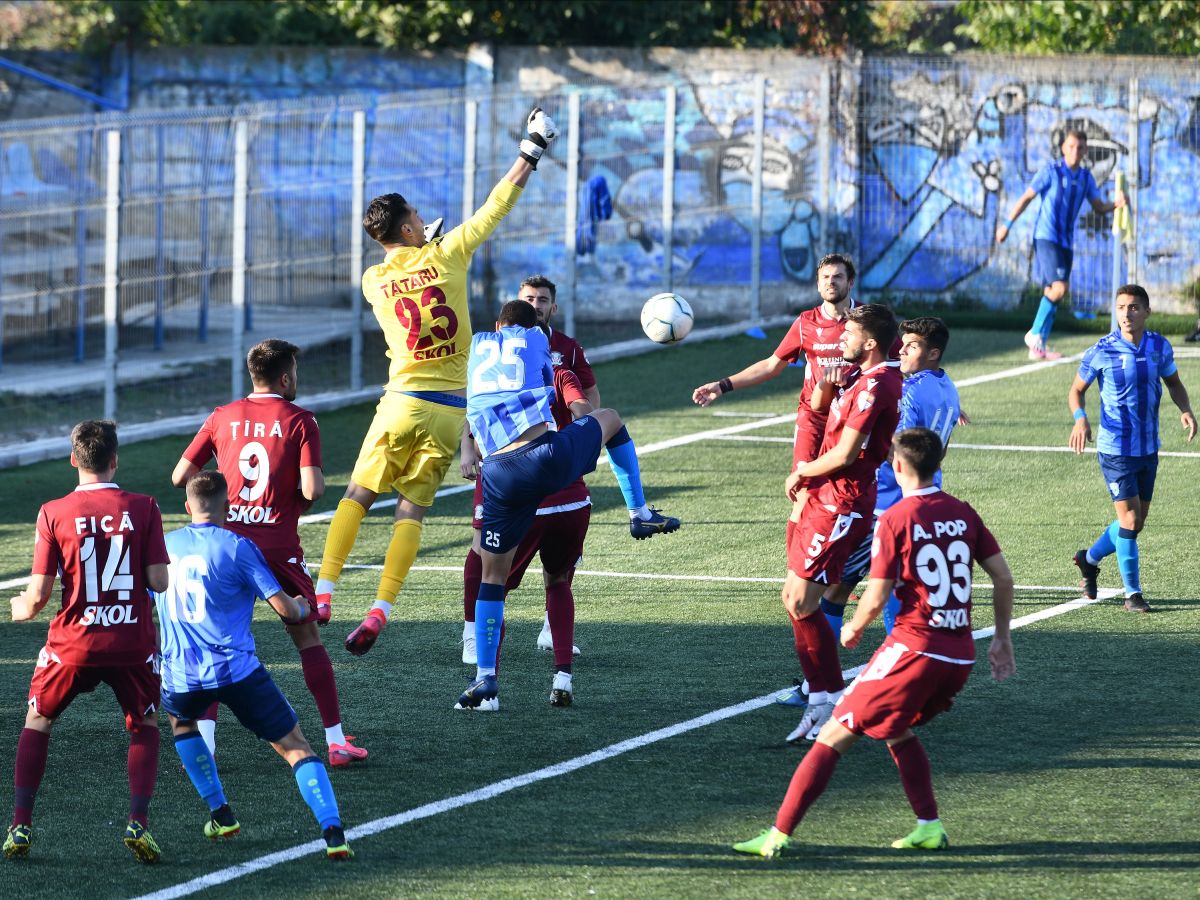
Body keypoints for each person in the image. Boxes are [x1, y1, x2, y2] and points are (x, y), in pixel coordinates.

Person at [314, 107, 559, 658]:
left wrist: (422, 246)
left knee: (358, 494)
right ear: (407, 228)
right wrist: (532, 148)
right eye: (417, 216)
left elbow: (405, 270)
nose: (424, 219)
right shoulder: (448, 254)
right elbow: (497, 205)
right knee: (411, 512)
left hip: (400, 401)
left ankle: (324, 592)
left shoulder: (372, 280)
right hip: (450, 410)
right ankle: (380, 609)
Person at [734, 427, 1016, 858]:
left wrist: (853, 627)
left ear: (896, 466)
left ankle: (777, 835)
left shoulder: (895, 518)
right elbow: (1003, 577)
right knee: (894, 729)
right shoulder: (963, 512)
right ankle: (929, 827)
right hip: (959, 656)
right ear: (938, 463)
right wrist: (1002, 639)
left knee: (834, 732)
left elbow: (877, 593)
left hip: (914, 650)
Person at [457, 301, 679, 711]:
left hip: (498, 474)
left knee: (492, 578)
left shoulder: (478, 350)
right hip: (545, 458)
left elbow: (472, 405)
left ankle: (485, 676)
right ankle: (639, 513)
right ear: (533, 328)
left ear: (497, 327)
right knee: (611, 418)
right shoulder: (538, 343)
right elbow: (570, 398)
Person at [171, 339, 366, 765]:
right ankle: (335, 742)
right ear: (285, 378)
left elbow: (180, 475)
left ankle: (206, 744)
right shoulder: (301, 420)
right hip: (277, 546)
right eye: (295, 371)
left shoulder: (221, 416)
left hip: (225, 544)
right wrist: (290, 498)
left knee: (214, 640)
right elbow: (313, 489)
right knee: (307, 639)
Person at [155, 471, 352, 859]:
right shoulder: (237, 546)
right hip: (237, 671)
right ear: (228, 508)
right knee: (295, 747)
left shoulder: (165, 546)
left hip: (181, 675)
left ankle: (221, 813)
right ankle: (333, 833)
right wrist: (304, 606)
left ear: (187, 506)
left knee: (182, 723)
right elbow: (286, 610)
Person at [5, 421, 170, 863]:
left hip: (73, 645)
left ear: (73, 459)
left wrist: (19, 607)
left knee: (39, 719)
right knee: (144, 723)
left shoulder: (52, 511)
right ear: (115, 460)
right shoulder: (145, 506)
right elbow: (159, 581)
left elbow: (37, 599)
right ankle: (138, 822)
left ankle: (20, 825)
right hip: (131, 641)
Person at [460, 274, 596, 669]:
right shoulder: (498, 348)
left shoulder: (567, 349)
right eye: (529, 299)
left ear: (553, 307)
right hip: (505, 462)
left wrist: (577, 443)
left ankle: (548, 632)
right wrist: (467, 446)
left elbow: (588, 397)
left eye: (542, 300)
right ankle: (472, 633)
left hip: (549, 460)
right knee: (482, 552)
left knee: (557, 561)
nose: (536, 305)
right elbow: (476, 400)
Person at [780, 304, 903, 743]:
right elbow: (819, 410)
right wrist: (827, 386)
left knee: (803, 601)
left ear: (870, 342)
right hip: (823, 497)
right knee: (794, 599)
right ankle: (821, 696)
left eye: (849, 333)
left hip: (841, 503)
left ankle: (830, 699)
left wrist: (801, 472)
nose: (841, 339)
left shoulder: (878, 385)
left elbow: (847, 453)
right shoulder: (856, 375)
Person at [809, 316, 962, 647]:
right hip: (926, 498)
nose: (902, 351)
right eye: (902, 344)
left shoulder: (908, 392)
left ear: (933, 353)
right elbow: (941, 451)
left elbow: (898, 451)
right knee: (899, 584)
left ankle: (827, 672)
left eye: (912, 346)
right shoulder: (949, 388)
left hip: (886, 506)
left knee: (837, 591)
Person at [692, 254, 858, 530]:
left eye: (838, 276)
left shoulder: (867, 321)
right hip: (815, 418)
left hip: (853, 418)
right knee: (803, 492)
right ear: (818, 285)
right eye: (825, 277)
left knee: (854, 491)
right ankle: (796, 556)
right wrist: (722, 385)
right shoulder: (806, 323)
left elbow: (896, 361)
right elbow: (771, 366)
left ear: (850, 282)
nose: (831, 282)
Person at [1069, 284, 1196, 612]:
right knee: (1128, 520)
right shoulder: (1102, 350)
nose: (1126, 314)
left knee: (1136, 522)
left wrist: (1185, 409)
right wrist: (1081, 420)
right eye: (1121, 307)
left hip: (1148, 448)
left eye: (1134, 307)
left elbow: (1174, 383)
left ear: (1147, 312)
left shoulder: (1159, 346)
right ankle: (1133, 594)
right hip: (1115, 449)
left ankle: (1088, 559)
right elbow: (1076, 391)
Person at [995, 128, 1126, 360]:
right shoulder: (1051, 171)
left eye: (1080, 147)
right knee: (1060, 288)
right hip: (1046, 237)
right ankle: (1034, 333)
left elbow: (1098, 206)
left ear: (1085, 151)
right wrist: (1007, 225)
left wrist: (1116, 204)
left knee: (1052, 291)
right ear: (1064, 147)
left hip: (1066, 242)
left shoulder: (1085, 177)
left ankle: (1038, 347)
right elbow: (1026, 198)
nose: (1075, 151)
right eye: (1071, 146)